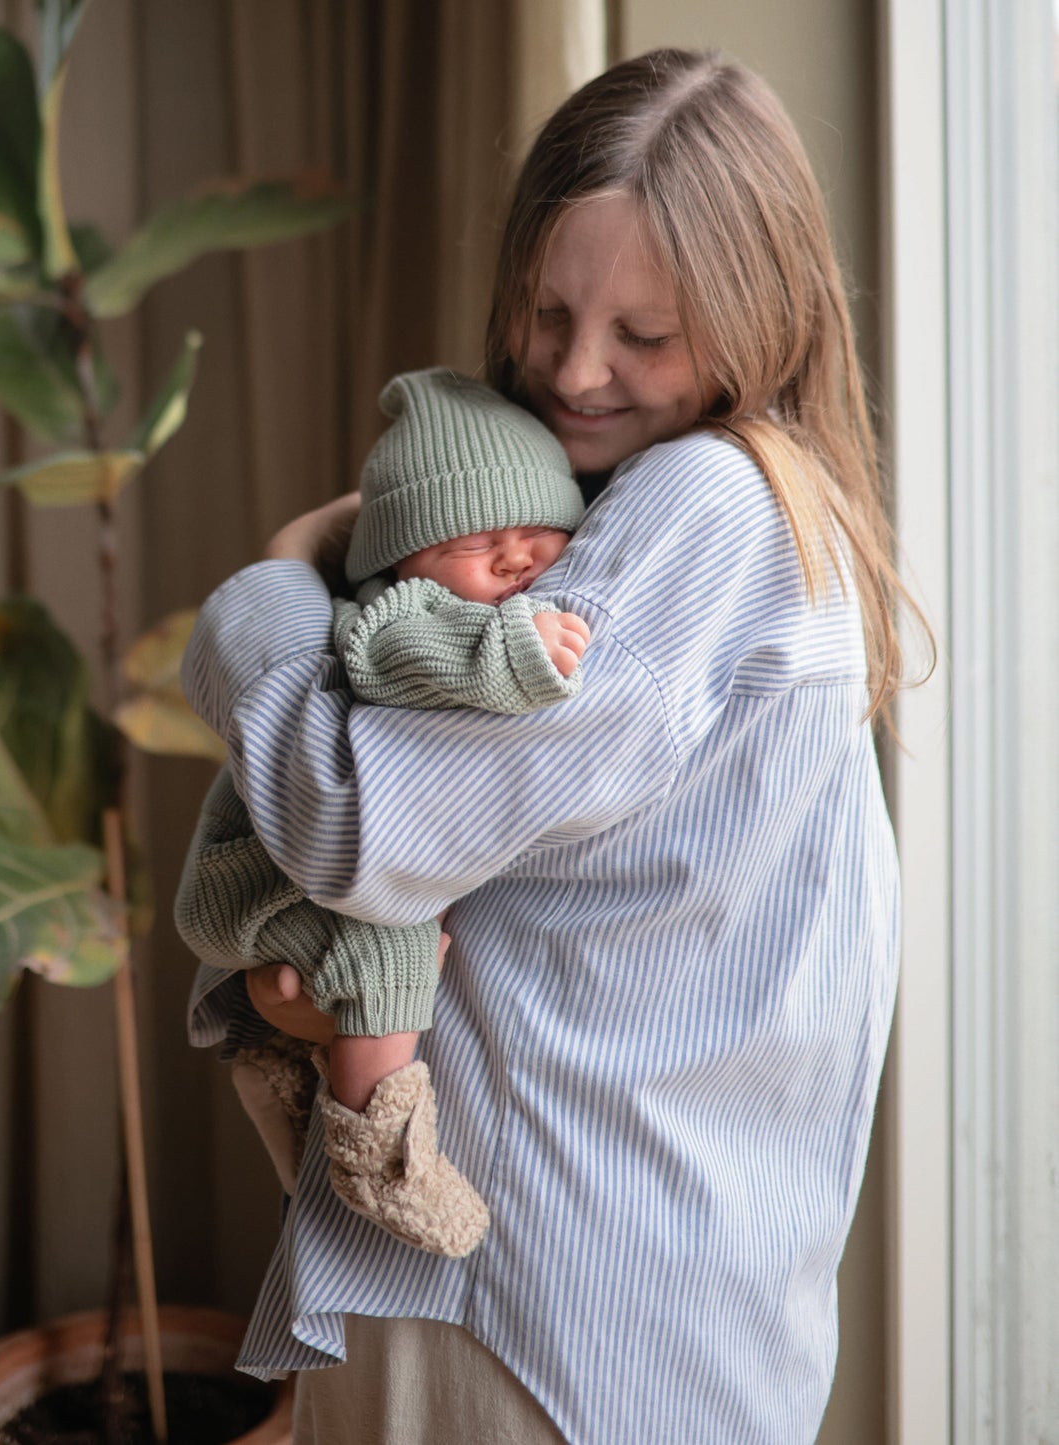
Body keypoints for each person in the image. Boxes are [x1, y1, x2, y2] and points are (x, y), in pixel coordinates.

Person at [184, 47, 927, 1444]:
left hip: (541, 1298)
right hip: (635, 1295)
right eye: (547, 312)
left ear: (759, 319)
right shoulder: (780, 512)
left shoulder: (703, 507)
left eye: (644, 335)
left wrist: (271, 588)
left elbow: (356, 822)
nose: (577, 372)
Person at [175, 366, 590, 1259]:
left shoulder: (466, 588)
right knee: (391, 937)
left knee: (373, 946)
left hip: (293, 882)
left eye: (539, 533)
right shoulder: (393, 616)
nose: (516, 557)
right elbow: (396, 658)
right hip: (257, 877)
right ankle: (379, 1154)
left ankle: (303, 1088)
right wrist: (511, 647)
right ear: (402, 559)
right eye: (476, 540)